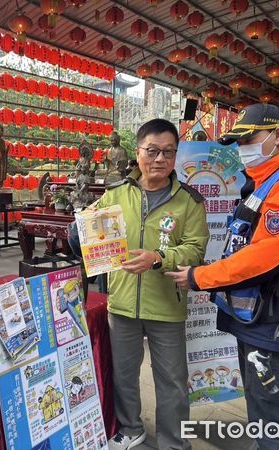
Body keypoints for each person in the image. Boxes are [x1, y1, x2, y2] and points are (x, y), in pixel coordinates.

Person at [166, 104, 279, 449]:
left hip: (277, 316)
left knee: (270, 404)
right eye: (238, 140)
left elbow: (264, 258)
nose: (243, 147)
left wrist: (201, 277)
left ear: (277, 136)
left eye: (250, 138)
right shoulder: (264, 181)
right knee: (259, 398)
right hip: (260, 314)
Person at [72, 119, 209, 450]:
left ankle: (174, 442)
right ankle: (131, 428)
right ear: (138, 152)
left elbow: (196, 248)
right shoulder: (115, 194)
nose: (159, 159)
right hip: (121, 302)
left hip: (166, 305)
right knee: (123, 374)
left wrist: (158, 258)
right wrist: (80, 229)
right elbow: (92, 235)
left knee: (173, 381)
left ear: (175, 156)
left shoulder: (189, 201)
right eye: (152, 150)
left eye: (168, 152)